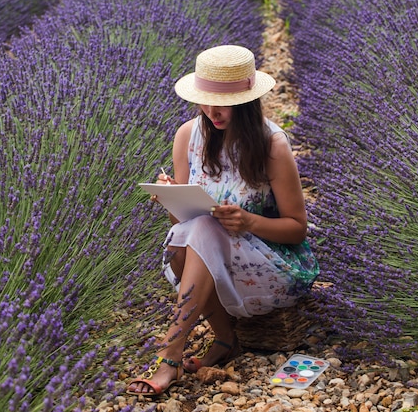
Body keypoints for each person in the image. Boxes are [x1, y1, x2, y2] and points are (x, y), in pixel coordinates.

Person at [127, 45, 319, 397]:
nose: (212, 111)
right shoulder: (188, 136)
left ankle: (169, 354)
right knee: (191, 231)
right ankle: (226, 340)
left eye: (223, 103)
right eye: (205, 100)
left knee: (201, 229)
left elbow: (297, 229)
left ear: (246, 102)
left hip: (271, 263)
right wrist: (172, 196)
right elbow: (181, 223)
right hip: (208, 255)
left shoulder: (272, 145)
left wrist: (248, 221)